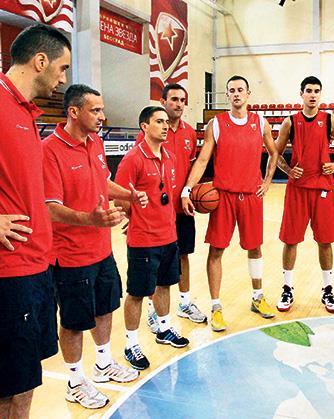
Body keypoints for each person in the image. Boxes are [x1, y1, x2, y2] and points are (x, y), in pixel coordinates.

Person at [43, 84, 147, 408]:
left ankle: (103, 364)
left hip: (101, 249)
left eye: (102, 109)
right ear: (74, 112)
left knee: (105, 308)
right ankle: (75, 381)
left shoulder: (96, 142)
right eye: (96, 110)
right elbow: (49, 207)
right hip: (70, 254)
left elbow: (102, 181)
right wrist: (90, 220)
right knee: (74, 322)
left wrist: (129, 195)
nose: (102, 116)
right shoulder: (50, 150)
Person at [0, 24, 70, 418]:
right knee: (9, 388)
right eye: (62, 68)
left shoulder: (25, 112)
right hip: (9, 273)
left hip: (37, 267)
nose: (63, 79)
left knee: (25, 383)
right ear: (40, 61)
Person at [182, 75, 278, 332]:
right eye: (232, 90)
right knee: (216, 251)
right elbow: (203, 160)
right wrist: (187, 190)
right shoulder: (216, 123)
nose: (236, 94)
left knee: (255, 248)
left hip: (251, 196)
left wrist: (267, 181)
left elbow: (274, 152)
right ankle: (216, 307)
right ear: (227, 95)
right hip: (223, 197)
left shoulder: (261, 122)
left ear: (248, 94)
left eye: (240, 90)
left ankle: (257, 297)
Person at [115, 106, 190, 370]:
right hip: (143, 240)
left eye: (166, 121)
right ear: (144, 127)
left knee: (165, 285)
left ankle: (164, 328)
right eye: (159, 121)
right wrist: (134, 217)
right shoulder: (132, 159)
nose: (165, 125)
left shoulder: (169, 156)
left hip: (168, 235)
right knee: (137, 293)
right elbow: (119, 198)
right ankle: (131, 344)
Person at [273, 76, 334, 313]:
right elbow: (275, 152)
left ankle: (327, 289)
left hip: (322, 189)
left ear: (320, 94)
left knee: (325, 241)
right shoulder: (290, 122)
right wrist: (288, 170)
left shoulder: (329, 120)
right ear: (301, 94)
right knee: (290, 240)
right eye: (309, 91)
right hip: (297, 189)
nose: (313, 95)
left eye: (316, 91)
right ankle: (287, 288)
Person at [135, 84, 206, 332]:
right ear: (163, 101)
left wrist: (188, 191)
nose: (179, 104)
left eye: (182, 100)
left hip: (182, 206)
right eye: (174, 99)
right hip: (156, 211)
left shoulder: (190, 133)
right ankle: (153, 310)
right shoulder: (150, 132)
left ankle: (184, 303)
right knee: (156, 260)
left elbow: (193, 166)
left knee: (183, 255)